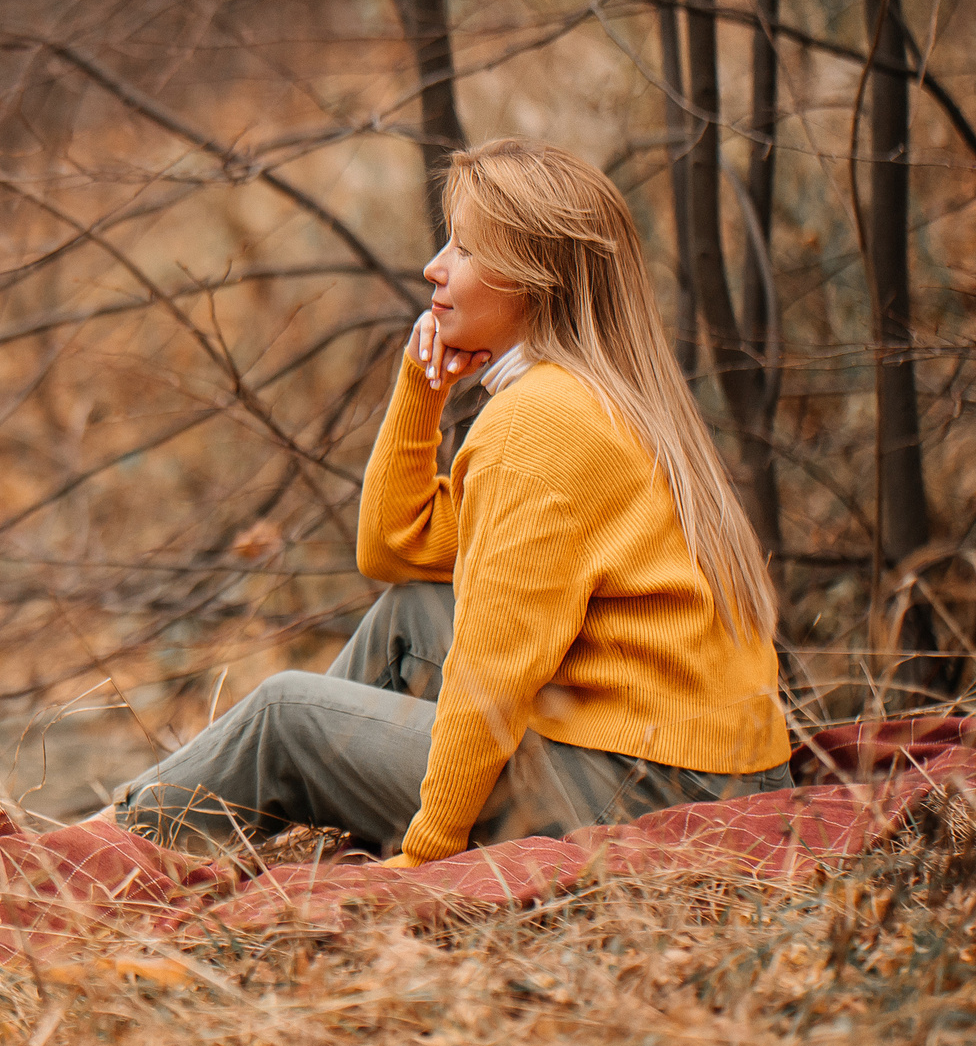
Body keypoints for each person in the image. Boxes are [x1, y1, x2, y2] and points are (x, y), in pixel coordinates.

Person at [107, 137, 793, 866]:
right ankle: (234, 819)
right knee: (411, 612)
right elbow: (394, 550)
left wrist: (428, 852)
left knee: (285, 713)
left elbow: (494, 672)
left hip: (651, 796)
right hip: (702, 773)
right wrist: (421, 389)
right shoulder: (599, 394)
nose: (435, 266)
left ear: (535, 279)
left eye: (464, 249)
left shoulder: (540, 424)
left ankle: (96, 863)